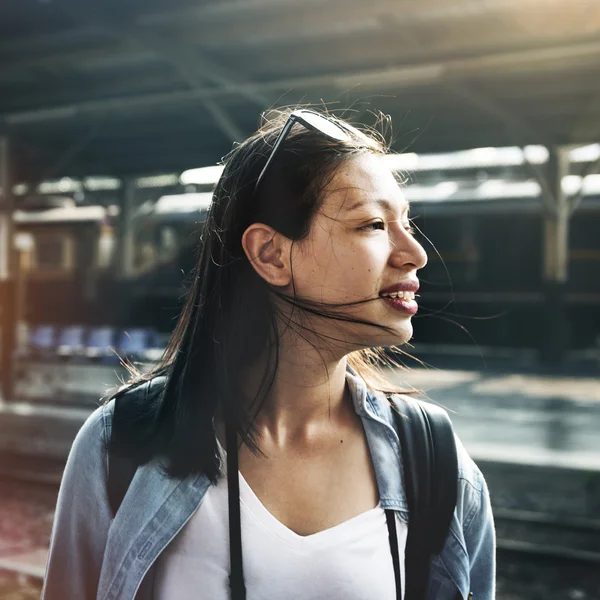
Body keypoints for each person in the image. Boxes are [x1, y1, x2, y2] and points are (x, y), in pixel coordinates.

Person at [42, 108, 495, 600]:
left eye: (406, 222)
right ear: (271, 254)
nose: (415, 253)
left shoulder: (434, 460)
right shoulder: (120, 444)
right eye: (372, 225)